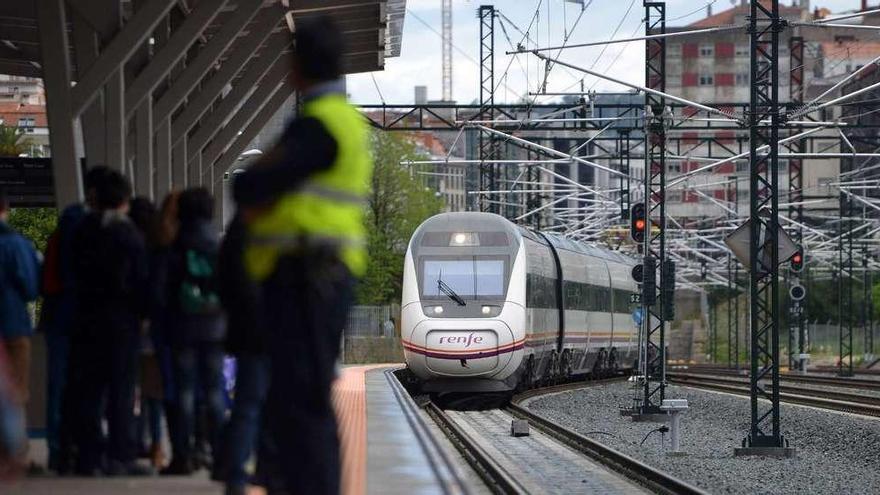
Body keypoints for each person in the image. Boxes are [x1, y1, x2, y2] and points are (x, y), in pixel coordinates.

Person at [232, 15, 373, 494]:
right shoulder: (341, 123)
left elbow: (250, 186)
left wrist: (258, 188)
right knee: (293, 401)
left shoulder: (318, 127)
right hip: (313, 277)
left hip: (308, 278)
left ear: (295, 65)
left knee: (303, 404)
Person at [71, 170, 150, 476]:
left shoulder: (82, 231)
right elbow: (141, 280)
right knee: (121, 389)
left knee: (90, 389)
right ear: (123, 200)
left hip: (88, 319)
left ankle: (89, 457)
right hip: (122, 323)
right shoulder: (128, 234)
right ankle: (121, 455)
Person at [40, 166, 111, 473]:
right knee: (84, 386)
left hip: (59, 316)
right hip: (81, 317)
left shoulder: (66, 224)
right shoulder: (87, 226)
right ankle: (79, 448)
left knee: (62, 386)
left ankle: (61, 449)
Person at [162, 187, 226, 476]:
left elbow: (159, 290)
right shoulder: (218, 245)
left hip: (181, 327)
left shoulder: (174, 245)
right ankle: (218, 454)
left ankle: (182, 456)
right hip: (214, 328)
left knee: (184, 391)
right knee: (213, 391)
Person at [217, 212, 269, 495]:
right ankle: (265, 470)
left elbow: (223, 281)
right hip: (277, 332)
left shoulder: (239, 230)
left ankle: (234, 471)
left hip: (246, 332)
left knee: (246, 404)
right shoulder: (285, 227)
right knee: (272, 405)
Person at [0, 189, 40, 463]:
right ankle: (14, 451)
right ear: (5, 208)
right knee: (16, 389)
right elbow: (29, 287)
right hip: (12, 324)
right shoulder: (16, 244)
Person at [129, 197, 166, 469]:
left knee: (132, 390)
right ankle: (156, 444)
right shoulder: (159, 250)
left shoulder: (127, 248)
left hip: (129, 328)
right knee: (154, 393)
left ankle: (135, 441)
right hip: (156, 332)